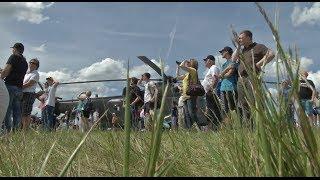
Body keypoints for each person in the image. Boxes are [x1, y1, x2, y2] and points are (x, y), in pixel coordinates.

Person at [232, 30, 275, 129]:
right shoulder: (242, 50)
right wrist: (238, 46)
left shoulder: (258, 47)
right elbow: (233, 59)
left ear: (248, 37)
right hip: (241, 79)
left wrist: (259, 64)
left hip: (252, 78)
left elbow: (271, 54)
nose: (239, 40)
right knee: (243, 104)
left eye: (241, 38)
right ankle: (250, 128)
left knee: (254, 102)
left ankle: (261, 127)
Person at [1, 43, 28, 132]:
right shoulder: (25, 62)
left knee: (7, 110)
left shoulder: (13, 57)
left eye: (13, 48)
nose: (12, 50)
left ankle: (7, 131)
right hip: (19, 88)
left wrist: (1, 77)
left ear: (15, 49)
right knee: (17, 111)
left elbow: (6, 70)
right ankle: (16, 132)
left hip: (10, 86)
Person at [176, 59, 201, 130]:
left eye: (189, 62)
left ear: (192, 64)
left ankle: (198, 128)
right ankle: (190, 129)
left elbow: (182, 67)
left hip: (191, 95)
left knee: (191, 113)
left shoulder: (193, 70)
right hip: (185, 96)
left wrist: (183, 61)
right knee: (187, 114)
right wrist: (178, 67)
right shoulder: (187, 74)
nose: (187, 63)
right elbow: (177, 77)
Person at [218, 47, 239, 123]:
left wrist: (222, 74)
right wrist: (226, 70)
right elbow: (221, 75)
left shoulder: (233, 61)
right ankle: (228, 128)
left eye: (222, 52)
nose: (221, 53)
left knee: (234, 109)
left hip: (231, 88)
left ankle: (238, 126)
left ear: (227, 52)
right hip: (223, 89)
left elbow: (229, 74)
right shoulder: (224, 64)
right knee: (225, 110)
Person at [201, 55, 222, 131]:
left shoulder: (214, 68)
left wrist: (211, 89)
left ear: (210, 60)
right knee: (211, 111)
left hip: (211, 93)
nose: (205, 62)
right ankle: (213, 128)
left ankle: (216, 128)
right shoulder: (211, 69)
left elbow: (215, 78)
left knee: (213, 111)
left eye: (206, 60)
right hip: (208, 93)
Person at [21, 58, 40, 131]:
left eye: (34, 63)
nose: (31, 64)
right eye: (30, 62)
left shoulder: (36, 74)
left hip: (29, 94)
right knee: (23, 112)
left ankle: (25, 130)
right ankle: (24, 129)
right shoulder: (27, 73)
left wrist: (18, 86)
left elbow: (29, 84)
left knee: (26, 113)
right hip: (23, 93)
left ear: (37, 66)